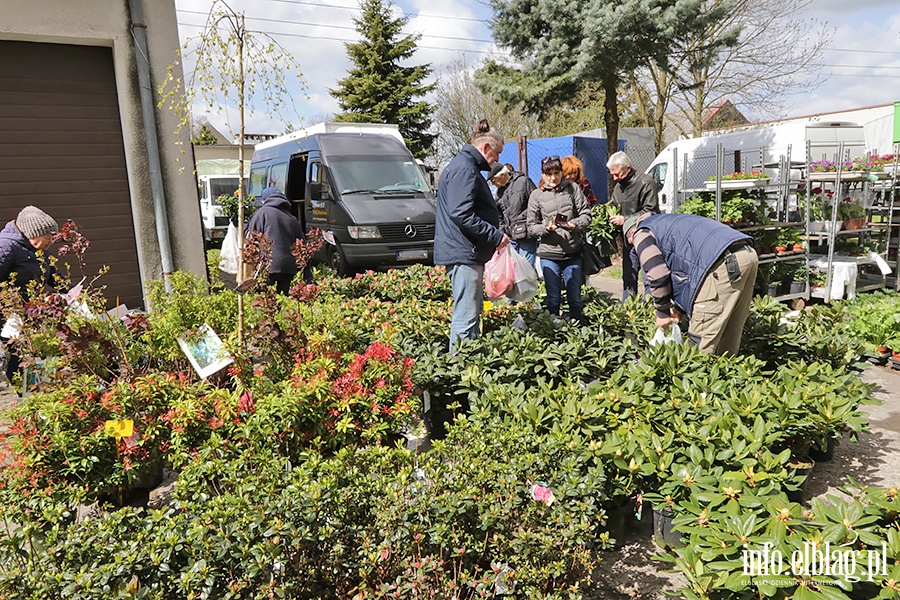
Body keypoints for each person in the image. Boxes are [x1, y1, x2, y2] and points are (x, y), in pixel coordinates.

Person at [623, 211, 758, 356]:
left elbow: (657, 274)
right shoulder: (667, 222)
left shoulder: (642, 232)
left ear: (632, 231)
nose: (633, 245)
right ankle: (729, 375)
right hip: (747, 253)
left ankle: (707, 377)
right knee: (729, 334)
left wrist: (662, 313)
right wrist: (679, 308)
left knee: (699, 347)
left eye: (630, 241)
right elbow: (689, 271)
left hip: (721, 262)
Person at [434, 119, 509, 352]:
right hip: (463, 253)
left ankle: (469, 363)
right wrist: (495, 236)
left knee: (471, 313)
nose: (496, 160)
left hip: (466, 252)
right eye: (496, 153)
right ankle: (461, 372)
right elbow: (461, 213)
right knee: (466, 317)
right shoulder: (464, 169)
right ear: (486, 147)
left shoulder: (465, 166)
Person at [526, 155, 592, 324]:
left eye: (556, 173)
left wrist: (574, 224)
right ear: (542, 175)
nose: (553, 178)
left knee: (575, 297)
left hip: (573, 253)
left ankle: (578, 333)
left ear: (562, 172)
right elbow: (531, 227)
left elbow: (586, 215)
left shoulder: (573, 189)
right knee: (553, 297)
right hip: (549, 254)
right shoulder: (536, 195)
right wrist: (544, 228)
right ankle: (552, 332)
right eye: (548, 174)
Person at [0, 205, 59, 383]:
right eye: (48, 237)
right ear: (32, 234)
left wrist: (73, 291)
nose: (51, 241)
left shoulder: (40, 249)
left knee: (37, 350)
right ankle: (24, 394)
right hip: (9, 315)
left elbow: (53, 275)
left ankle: (37, 389)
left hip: (31, 311)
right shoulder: (6, 247)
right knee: (18, 355)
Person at [607, 151, 660, 300]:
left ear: (628, 168)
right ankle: (628, 313)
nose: (615, 178)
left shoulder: (646, 183)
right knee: (628, 278)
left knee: (649, 278)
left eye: (618, 174)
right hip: (628, 239)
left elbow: (651, 211)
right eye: (613, 175)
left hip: (647, 238)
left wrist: (625, 219)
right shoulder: (618, 187)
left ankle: (650, 310)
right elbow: (614, 207)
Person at [246, 186, 307, 294]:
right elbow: (303, 245)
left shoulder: (262, 213)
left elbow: (251, 239)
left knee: (262, 298)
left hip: (268, 265)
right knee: (282, 296)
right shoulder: (291, 218)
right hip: (289, 267)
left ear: (265, 200)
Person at [488, 162, 538, 268]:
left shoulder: (524, 182)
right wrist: (503, 230)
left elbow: (536, 204)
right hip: (510, 237)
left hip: (526, 235)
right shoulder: (499, 193)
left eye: (493, 180)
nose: (493, 184)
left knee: (526, 270)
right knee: (511, 271)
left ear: (502, 175)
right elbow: (499, 215)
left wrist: (526, 221)